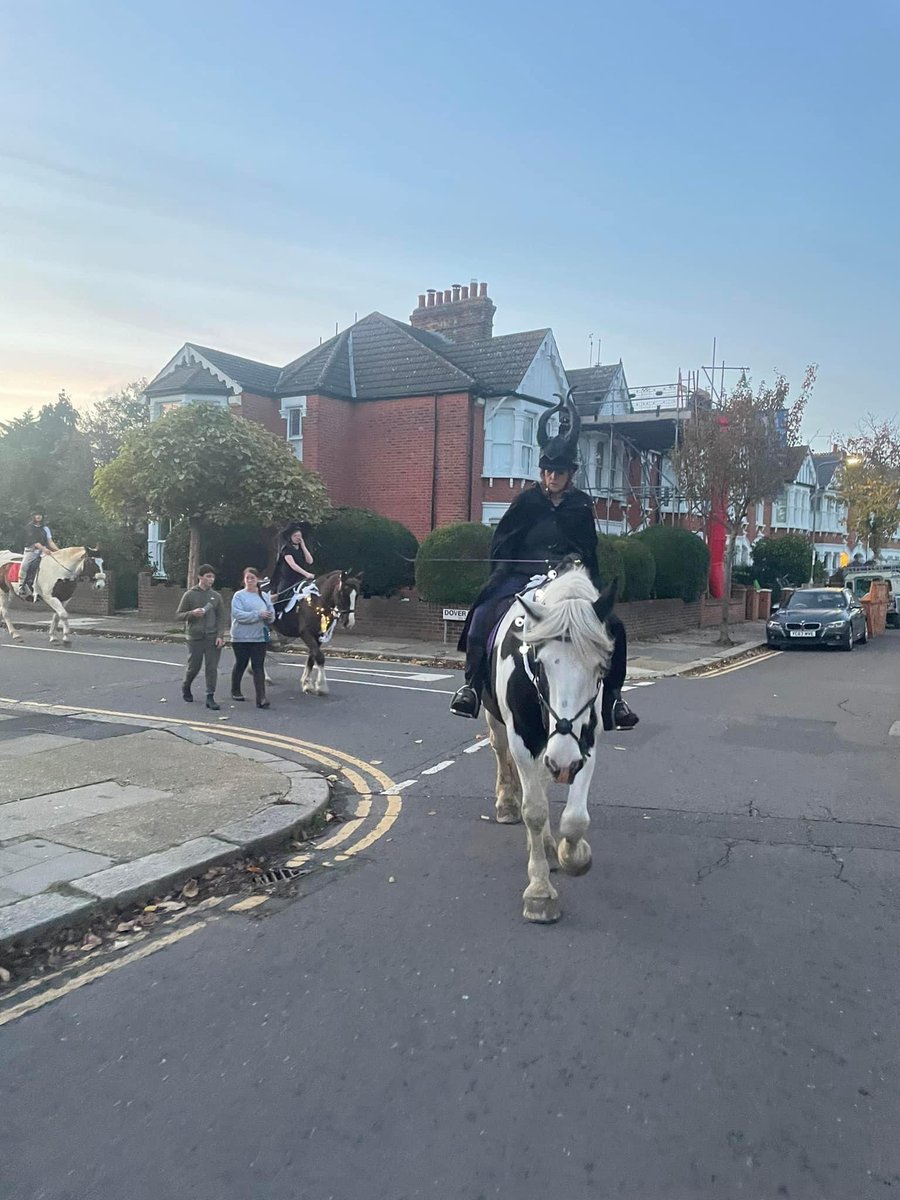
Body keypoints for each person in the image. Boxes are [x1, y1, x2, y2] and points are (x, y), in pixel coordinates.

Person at [450, 392, 639, 732]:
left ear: (570, 473)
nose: (552, 477)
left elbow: (588, 549)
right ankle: (472, 687)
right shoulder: (526, 501)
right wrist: (505, 567)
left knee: (615, 627)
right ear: (542, 471)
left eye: (559, 472)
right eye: (548, 471)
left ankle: (613, 699)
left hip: (567, 579)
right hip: (521, 574)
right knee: (481, 614)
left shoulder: (581, 505)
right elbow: (504, 540)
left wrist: (578, 562)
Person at [176, 564, 226, 710]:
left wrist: (220, 636)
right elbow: (178, 615)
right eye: (208, 576)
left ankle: (210, 696)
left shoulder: (216, 596)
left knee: (211, 668)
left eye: (213, 577)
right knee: (194, 667)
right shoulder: (190, 595)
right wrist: (192, 613)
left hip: (212, 636)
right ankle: (186, 685)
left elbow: (221, 618)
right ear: (200, 577)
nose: (211, 579)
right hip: (195, 637)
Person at [230, 567, 275, 708]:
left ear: (258, 580)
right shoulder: (239, 596)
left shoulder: (264, 596)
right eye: (247, 578)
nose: (250, 580)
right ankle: (235, 690)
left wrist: (269, 617)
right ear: (244, 580)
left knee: (258, 666)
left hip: (259, 637)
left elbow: (271, 613)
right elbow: (238, 615)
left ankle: (261, 698)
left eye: (252, 578)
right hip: (241, 637)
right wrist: (257, 615)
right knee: (241, 663)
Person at [269, 523, 316, 609]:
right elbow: (293, 565)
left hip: (300, 579)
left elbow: (310, 561)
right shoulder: (286, 549)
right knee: (282, 598)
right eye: (295, 536)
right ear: (290, 537)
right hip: (288, 579)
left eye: (299, 536)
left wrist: (303, 546)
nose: (298, 538)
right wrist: (307, 574)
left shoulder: (302, 549)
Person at [19, 511, 59, 599]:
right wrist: (44, 549)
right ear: (33, 516)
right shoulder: (29, 528)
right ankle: (22, 585)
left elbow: (50, 542)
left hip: (43, 552)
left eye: (40, 515)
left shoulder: (45, 528)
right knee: (24, 566)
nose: (38, 516)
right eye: (36, 515)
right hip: (31, 551)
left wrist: (58, 551)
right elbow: (35, 542)